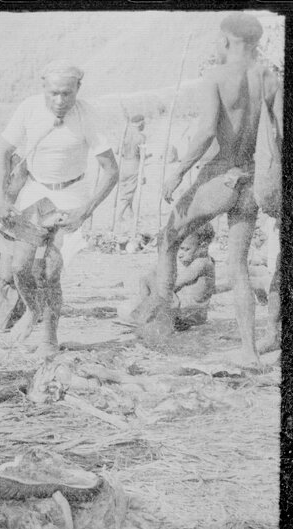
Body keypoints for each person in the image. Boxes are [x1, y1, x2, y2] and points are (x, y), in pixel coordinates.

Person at [131, 13, 281, 366]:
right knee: (239, 266)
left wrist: (178, 172)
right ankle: (249, 351)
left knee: (168, 238)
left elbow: (206, 133)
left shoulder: (216, 76)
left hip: (218, 175)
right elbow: (278, 136)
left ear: (227, 40)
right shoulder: (270, 78)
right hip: (250, 178)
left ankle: (160, 323)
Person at [0, 59, 119, 356]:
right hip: (35, 192)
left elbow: (111, 170)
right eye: (54, 93)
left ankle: (49, 337)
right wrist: (1, 199)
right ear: (43, 88)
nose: (60, 100)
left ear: (78, 89)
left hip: (72, 195)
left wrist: (85, 210)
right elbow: (2, 151)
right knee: (19, 267)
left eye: (67, 93)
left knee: (50, 270)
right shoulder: (28, 108)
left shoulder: (87, 114)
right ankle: (32, 309)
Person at [120, 225, 216, 330]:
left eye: (186, 249)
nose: (180, 254)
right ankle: (144, 311)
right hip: (195, 315)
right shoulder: (207, 261)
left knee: (147, 279)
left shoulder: (199, 264)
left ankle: (143, 314)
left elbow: (172, 286)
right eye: (180, 249)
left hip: (187, 316)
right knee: (154, 281)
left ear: (203, 247)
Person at [114, 115, 148, 228]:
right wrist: (142, 173)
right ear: (140, 124)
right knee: (129, 192)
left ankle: (131, 214)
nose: (145, 125)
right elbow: (142, 156)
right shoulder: (141, 137)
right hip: (134, 165)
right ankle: (119, 216)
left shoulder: (124, 135)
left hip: (123, 166)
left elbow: (117, 151)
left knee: (126, 190)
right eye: (144, 123)